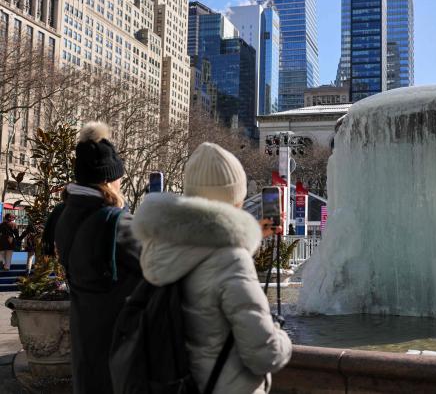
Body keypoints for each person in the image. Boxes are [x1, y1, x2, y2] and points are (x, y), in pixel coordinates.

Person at [132, 142, 292, 394]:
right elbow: (265, 354)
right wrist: (281, 334)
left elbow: (206, 265)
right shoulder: (232, 262)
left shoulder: (161, 249)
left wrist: (247, 241)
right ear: (235, 199)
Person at [48, 122, 141, 394]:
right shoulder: (117, 224)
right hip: (120, 351)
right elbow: (166, 265)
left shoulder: (65, 215)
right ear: (109, 179)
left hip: (85, 348)